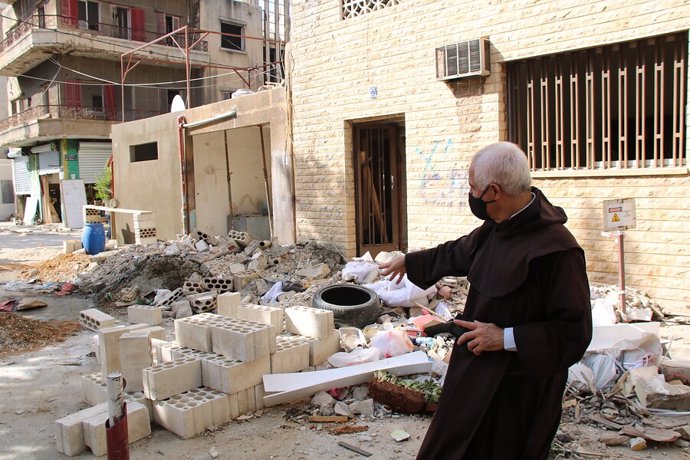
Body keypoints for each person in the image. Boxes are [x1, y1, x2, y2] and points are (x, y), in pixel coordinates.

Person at [379, 141, 592, 459]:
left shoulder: (557, 251)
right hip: (475, 373)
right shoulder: (498, 226)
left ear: (494, 192)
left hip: (519, 390)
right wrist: (410, 261)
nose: (470, 194)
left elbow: (573, 332)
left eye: (472, 187)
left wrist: (504, 337)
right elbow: (459, 251)